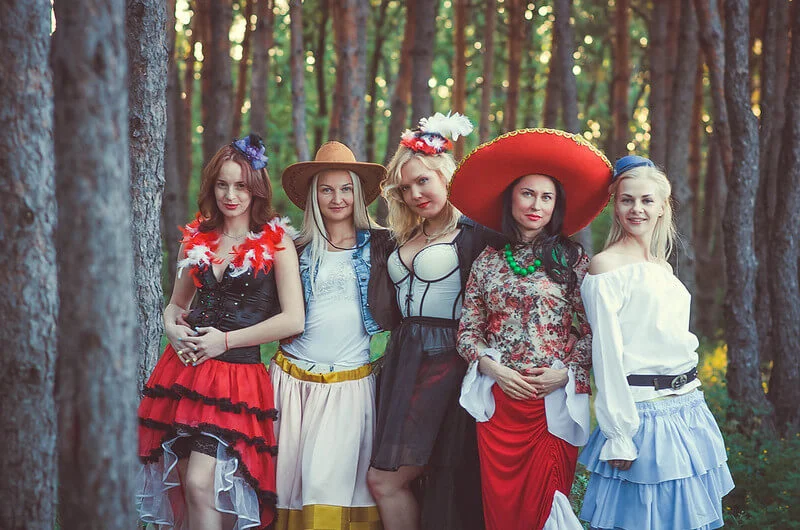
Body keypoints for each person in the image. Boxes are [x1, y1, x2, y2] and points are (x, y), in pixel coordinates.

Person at [137, 134, 305, 530]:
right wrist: (170, 328)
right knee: (184, 479)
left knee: (201, 481)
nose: (231, 195)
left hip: (235, 378)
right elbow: (176, 304)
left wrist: (224, 341)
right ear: (211, 187)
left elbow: (293, 320)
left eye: (241, 185)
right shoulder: (196, 238)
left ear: (256, 189)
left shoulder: (277, 243)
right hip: (184, 372)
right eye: (222, 184)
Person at [450, 128, 613, 530]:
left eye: (546, 197)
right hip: (500, 402)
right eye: (527, 194)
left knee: (548, 503)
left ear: (556, 205)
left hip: (551, 400)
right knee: (502, 508)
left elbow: (595, 331)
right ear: (511, 199)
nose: (536, 205)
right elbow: (467, 332)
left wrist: (566, 373)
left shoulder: (574, 260)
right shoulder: (488, 261)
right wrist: (493, 369)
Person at [578, 156, 734, 530]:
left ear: (663, 206)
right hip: (643, 414)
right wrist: (619, 434)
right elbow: (607, 356)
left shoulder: (661, 266)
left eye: (647, 200)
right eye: (627, 200)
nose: (637, 209)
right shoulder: (605, 267)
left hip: (688, 406)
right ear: (615, 205)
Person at [366, 112, 500, 530]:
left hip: (445, 361)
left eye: (423, 181)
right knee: (401, 478)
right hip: (403, 359)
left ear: (445, 175)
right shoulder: (404, 236)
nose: (415, 194)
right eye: (405, 188)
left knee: (386, 480)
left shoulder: (477, 234)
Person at [270, 141, 395, 530]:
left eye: (345, 189)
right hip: (291, 382)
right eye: (326, 189)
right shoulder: (296, 248)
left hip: (348, 383)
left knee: (330, 485)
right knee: (287, 484)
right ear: (314, 195)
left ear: (357, 194)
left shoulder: (383, 244)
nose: (337, 198)